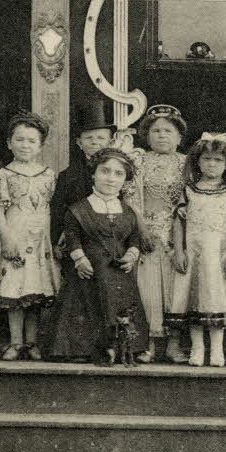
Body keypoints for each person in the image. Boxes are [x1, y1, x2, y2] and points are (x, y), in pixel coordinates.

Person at [53, 148, 148, 365]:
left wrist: (131, 255)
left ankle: (129, 347)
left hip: (119, 274)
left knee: (122, 307)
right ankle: (83, 348)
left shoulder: (128, 210)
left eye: (118, 174)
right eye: (105, 171)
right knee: (87, 305)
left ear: (125, 179)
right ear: (93, 174)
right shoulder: (79, 209)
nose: (111, 178)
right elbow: (72, 235)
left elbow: (134, 238)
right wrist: (80, 259)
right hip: (90, 271)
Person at [167, 134, 226, 366]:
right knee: (193, 298)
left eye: (217, 160)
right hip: (193, 254)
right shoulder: (189, 191)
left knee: (217, 298)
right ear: (198, 162)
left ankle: (217, 349)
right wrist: (180, 252)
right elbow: (179, 222)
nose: (211, 164)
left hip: (219, 255)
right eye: (206, 159)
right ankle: (197, 348)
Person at [0, 112, 60, 361]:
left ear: (40, 145)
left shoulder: (49, 174)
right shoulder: (4, 174)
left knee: (35, 292)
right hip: (16, 234)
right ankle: (15, 342)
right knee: (15, 291)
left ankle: (32, 342)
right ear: (9, 143)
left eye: (31, 141)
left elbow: (52, 207)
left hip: (41, 239)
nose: (25, 145)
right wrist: (6, 238)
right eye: (20, 140)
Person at [133, 103, 188, 362]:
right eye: (156, 131)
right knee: (148, 289)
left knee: (175, 289)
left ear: (179, 136)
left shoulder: (188, 163)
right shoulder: (139, 160)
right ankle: (149, 345)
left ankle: (174, 345)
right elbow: (132, 198)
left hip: (178, 233)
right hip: (147, 232)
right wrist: (142, 229)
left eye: (168, 131)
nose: (162, 135)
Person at [50, 98, 116, 247]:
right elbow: (58, 211)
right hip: (77, 240)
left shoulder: (119, 173)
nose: (94, 142)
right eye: (88, 138)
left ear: (111, 142)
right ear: (79, 143)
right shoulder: (67, 175)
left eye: (100, 138)